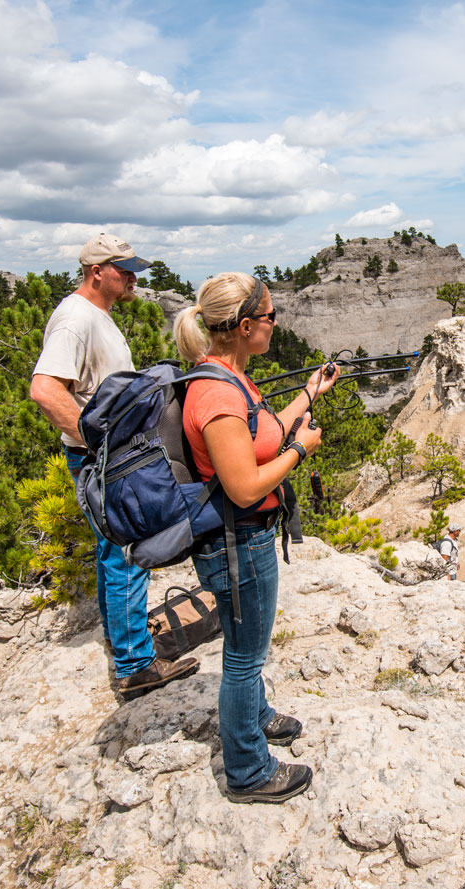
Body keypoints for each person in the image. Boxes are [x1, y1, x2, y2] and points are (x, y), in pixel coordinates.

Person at [173, 273, 339, 805]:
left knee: (252, 651)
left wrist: (309, 395)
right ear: (245, 327)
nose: (275, 324)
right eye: (270, 317)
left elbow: (260, 435)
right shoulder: (216, 395)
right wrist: (301, 452)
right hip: (236, 541)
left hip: (246, 539)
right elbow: (244, 487)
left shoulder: (232, 378)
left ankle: (257, 715)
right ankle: (247, 770)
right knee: (244, 657)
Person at [30, 233, 199, 699]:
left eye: (133, 269)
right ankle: (136, 666)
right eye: (123, 269)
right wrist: (97, 442)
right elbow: (45, 390)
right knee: (129, 543)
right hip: (102, 456)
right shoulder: (74, 319)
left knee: (112, 546)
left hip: (107, 454)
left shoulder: (94, 316)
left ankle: (121, 638)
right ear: (95, 271)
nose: (132, 277)